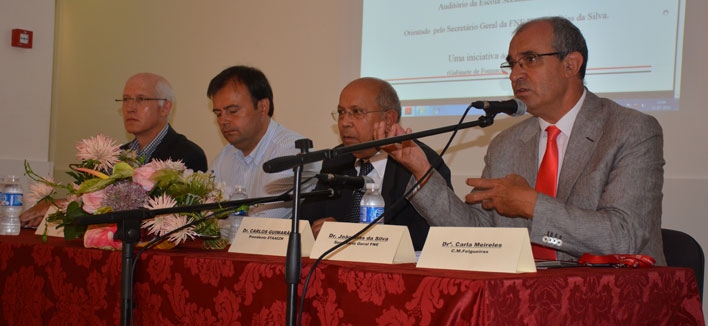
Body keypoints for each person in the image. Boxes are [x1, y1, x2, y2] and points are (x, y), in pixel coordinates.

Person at [376, 16, 666, 264]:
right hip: (527, 297)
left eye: (530, 60)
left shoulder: (630, 130)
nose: (515, 74)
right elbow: (477, 235)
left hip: (613, 300)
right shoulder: (507, 144)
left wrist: (532, 204)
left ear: (571, 64)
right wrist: (421, 171)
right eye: (512, 64)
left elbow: (624, 236)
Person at [20, 72, 208, 228]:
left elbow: (154, 212)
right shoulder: (115, 157)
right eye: (126, 99)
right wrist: (54, 210)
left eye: (141, 99)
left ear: (165, 107)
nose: (130, 108)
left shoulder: (186, 155)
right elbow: (93, 202)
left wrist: (59, 206)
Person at [300, 77, 453, 251]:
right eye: (341, 112)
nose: (344, 122)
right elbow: (305, 221)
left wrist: (352, 237)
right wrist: (316, 231)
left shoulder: (420, 163)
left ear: (388, 119)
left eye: (356, 112)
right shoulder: (337, 159)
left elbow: (430, 236)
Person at [207, 65, 319, 218]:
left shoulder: (291, 151)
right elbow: (204, 217)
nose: (223, 121)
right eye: (218, 114)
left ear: (262, 107)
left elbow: (264, 224)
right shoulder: (224, 157)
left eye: (233, 111)